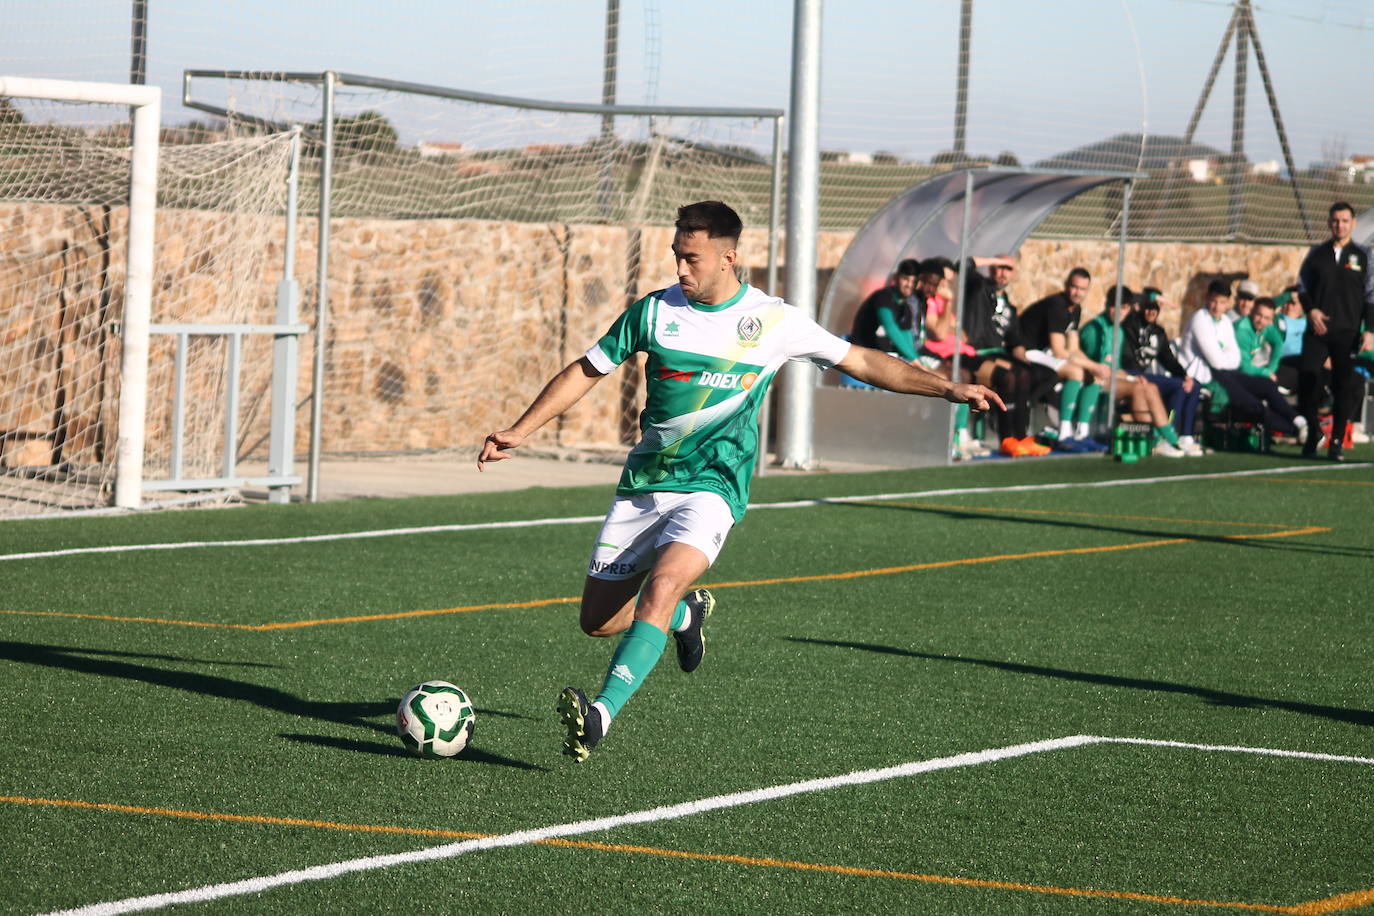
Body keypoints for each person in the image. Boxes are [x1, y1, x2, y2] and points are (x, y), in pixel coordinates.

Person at [477, 201, 1003, 762]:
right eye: (677, 257)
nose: (681, 269)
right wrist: (521, 429)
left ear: (729, 257)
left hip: (714, 486)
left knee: (661, 584)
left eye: (692, 258)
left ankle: (600, 715)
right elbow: (587, 369)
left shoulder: (773, 321)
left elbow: (864, 363)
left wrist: (946, 388)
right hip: (646, 484)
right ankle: (686, 616)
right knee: (599, 621)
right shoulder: (653, 314)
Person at [1295, 201, 1374, 460]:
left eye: (1344, 221)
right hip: (1318, 330)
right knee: (1306, 379)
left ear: (1352, 223)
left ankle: (1337, 442)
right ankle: (1314, 431)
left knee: (1344, 387)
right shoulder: (1317, 254)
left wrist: (1369, 331)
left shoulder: (1364, 256)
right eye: (1335, 221)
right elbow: (1302, 287)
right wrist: (1311, 311)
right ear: (1329, 223)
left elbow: (1370, 296)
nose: (1339, 225)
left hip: (1347, 332)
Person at [1181, 279, 1305, 439]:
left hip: (1227, 373)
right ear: (1206, 298)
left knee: (1267, 385)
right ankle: (1296, 432)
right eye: (1213, 301)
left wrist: (1268, 370)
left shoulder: (1224, 321)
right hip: (1206, 377)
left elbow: (1235, 358)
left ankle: (1299, 420)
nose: (1217, 307)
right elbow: (1216, 362)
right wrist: (1225, 356)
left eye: (1222, 302)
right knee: (1253, 404)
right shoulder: (1200, 319)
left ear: (1227, 303)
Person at [958, 254, 1050, 457]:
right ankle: (1006, 439)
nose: (1002, 272)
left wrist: (1022, 357)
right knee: (1010, 377)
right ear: (991, 269)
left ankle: (1021, 437)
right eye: (999, 267)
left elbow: (1015, 339)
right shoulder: (979, 288)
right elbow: (962, 264)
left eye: (1008, 269)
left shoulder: (1008, 304)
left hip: (997, 354)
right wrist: (993, 260)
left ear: (1014, 273)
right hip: (974, 353)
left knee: (1030, 374)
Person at [1078, 289, 1188, 457]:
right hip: (1090, 383)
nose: (1118, 311)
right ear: (1107, 306)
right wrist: (1130, 380)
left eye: (1123, 307)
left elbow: (1114, 368)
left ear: (1128, 309)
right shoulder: (1095, 329)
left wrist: (1132, 377)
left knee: (1149, 386)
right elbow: (1094, 369)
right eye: (1114, 306)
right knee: (1137, 388)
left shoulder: (1119, 331)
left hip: (1109, 378)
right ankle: (1156, 439)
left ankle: (1169, 438)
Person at [1014, 268, 1110, 452]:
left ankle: (1082, 432)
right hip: (1028, 351)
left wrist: (1096, 367)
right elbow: (1059, 351)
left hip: (1045, 352)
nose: (1077, 292)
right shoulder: (1057, 306)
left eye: (1082, 289)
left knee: (1094, 375)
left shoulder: (1075, 309)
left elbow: (1073, 348)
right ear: (1066, 286)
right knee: (1076, 371)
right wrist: (1091, 365)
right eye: (1074, 287)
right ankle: (1064, 433)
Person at [1121, 289, 1205, 454]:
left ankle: (1185, 436)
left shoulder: (1158, 332)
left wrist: (1185, 376)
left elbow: (1168, 360)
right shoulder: (1131, 323)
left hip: (1147, 377)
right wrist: (1150, 298)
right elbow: (1132, 301)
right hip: (1129, 373)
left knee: (1192, 385)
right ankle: (1167, 436)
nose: (1152, 311)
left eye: (1156, 307)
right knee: (1179, 386)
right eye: (1148, 306)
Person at [848, 258, 923, 360]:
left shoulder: (906, 309)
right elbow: (890, 327)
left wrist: (916, 361)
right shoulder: (883, 297)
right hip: (860, 354)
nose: (909, 285)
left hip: (879, 357)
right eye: (905, 279)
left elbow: (908, 341)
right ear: (896, 278)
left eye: (913, 281)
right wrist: (915, 361)